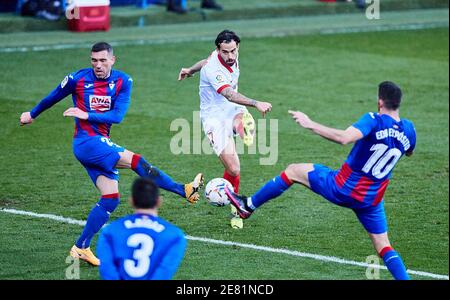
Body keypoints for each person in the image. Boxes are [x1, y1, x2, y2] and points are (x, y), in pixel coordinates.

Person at [19, 42, 203, 266]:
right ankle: (184, 190)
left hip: (98, 143)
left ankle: (81, 247)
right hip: (88, 143)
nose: (98, 65)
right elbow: (53, 96)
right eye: (94, 60)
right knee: (136, 161)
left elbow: (117, 116)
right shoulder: (77, 79)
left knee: (111, 198)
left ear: (112, 60)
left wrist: (85, 114)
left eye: (103, 60)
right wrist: (32, 113)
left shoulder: (123, 81)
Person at [225, 81, 415, 280]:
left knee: (292, 171)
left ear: (379, 102)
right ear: (398, 104)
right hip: (371, 200)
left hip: (343, 187)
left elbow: (344, 138)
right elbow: (409, 152)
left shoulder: (373, 120)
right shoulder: (409, 130)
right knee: (384, 246)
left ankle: (248, 206)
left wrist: (310, 124)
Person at [178, 30, 272, 229]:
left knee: (239, 119)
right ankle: (240, 128)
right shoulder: (214, 69)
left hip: (233, 108)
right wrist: (256, 103)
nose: (230, 56)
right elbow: (229, 93)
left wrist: (190, 70)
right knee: (234, 168)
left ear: (238, 47)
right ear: (218, 49)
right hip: (214, 118)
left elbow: (204, 60)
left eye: (233, 51)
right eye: (225, 52)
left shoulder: (223, 56)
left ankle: (237, 208)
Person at [97, 177, 186, 280]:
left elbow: (107, 269)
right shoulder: (174, 236)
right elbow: (164, 272)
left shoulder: (110, 231)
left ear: (132, 201)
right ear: (159, 201)